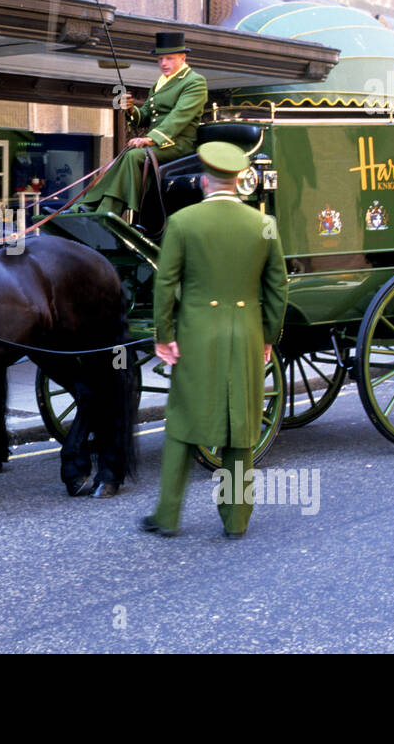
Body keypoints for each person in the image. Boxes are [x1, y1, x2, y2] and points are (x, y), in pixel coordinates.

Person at [140, 141, 288, 540]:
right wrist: (269, 336)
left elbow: (166, 283)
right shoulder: (265, 224)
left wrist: (164, 336)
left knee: (183, 424)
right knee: (240, 428)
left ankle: (168, 515)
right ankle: (236, 520)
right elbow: (278, 286)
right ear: (239, 181)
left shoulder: (183, 222)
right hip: (246, 333)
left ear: (204, 180)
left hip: (196, 334)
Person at [85, 31, 207, 218]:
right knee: (125, 156)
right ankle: (90, 204)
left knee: (134, 156)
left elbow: (179, 116)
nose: (163, 64)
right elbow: (148, 116)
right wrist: (131, 110)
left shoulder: (194, 82)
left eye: (169, 58)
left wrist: (151, 138)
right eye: (160, 59)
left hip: (179, 145)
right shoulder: (160, 83)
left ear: (183, 58)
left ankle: (108, 209)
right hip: (160, 144)